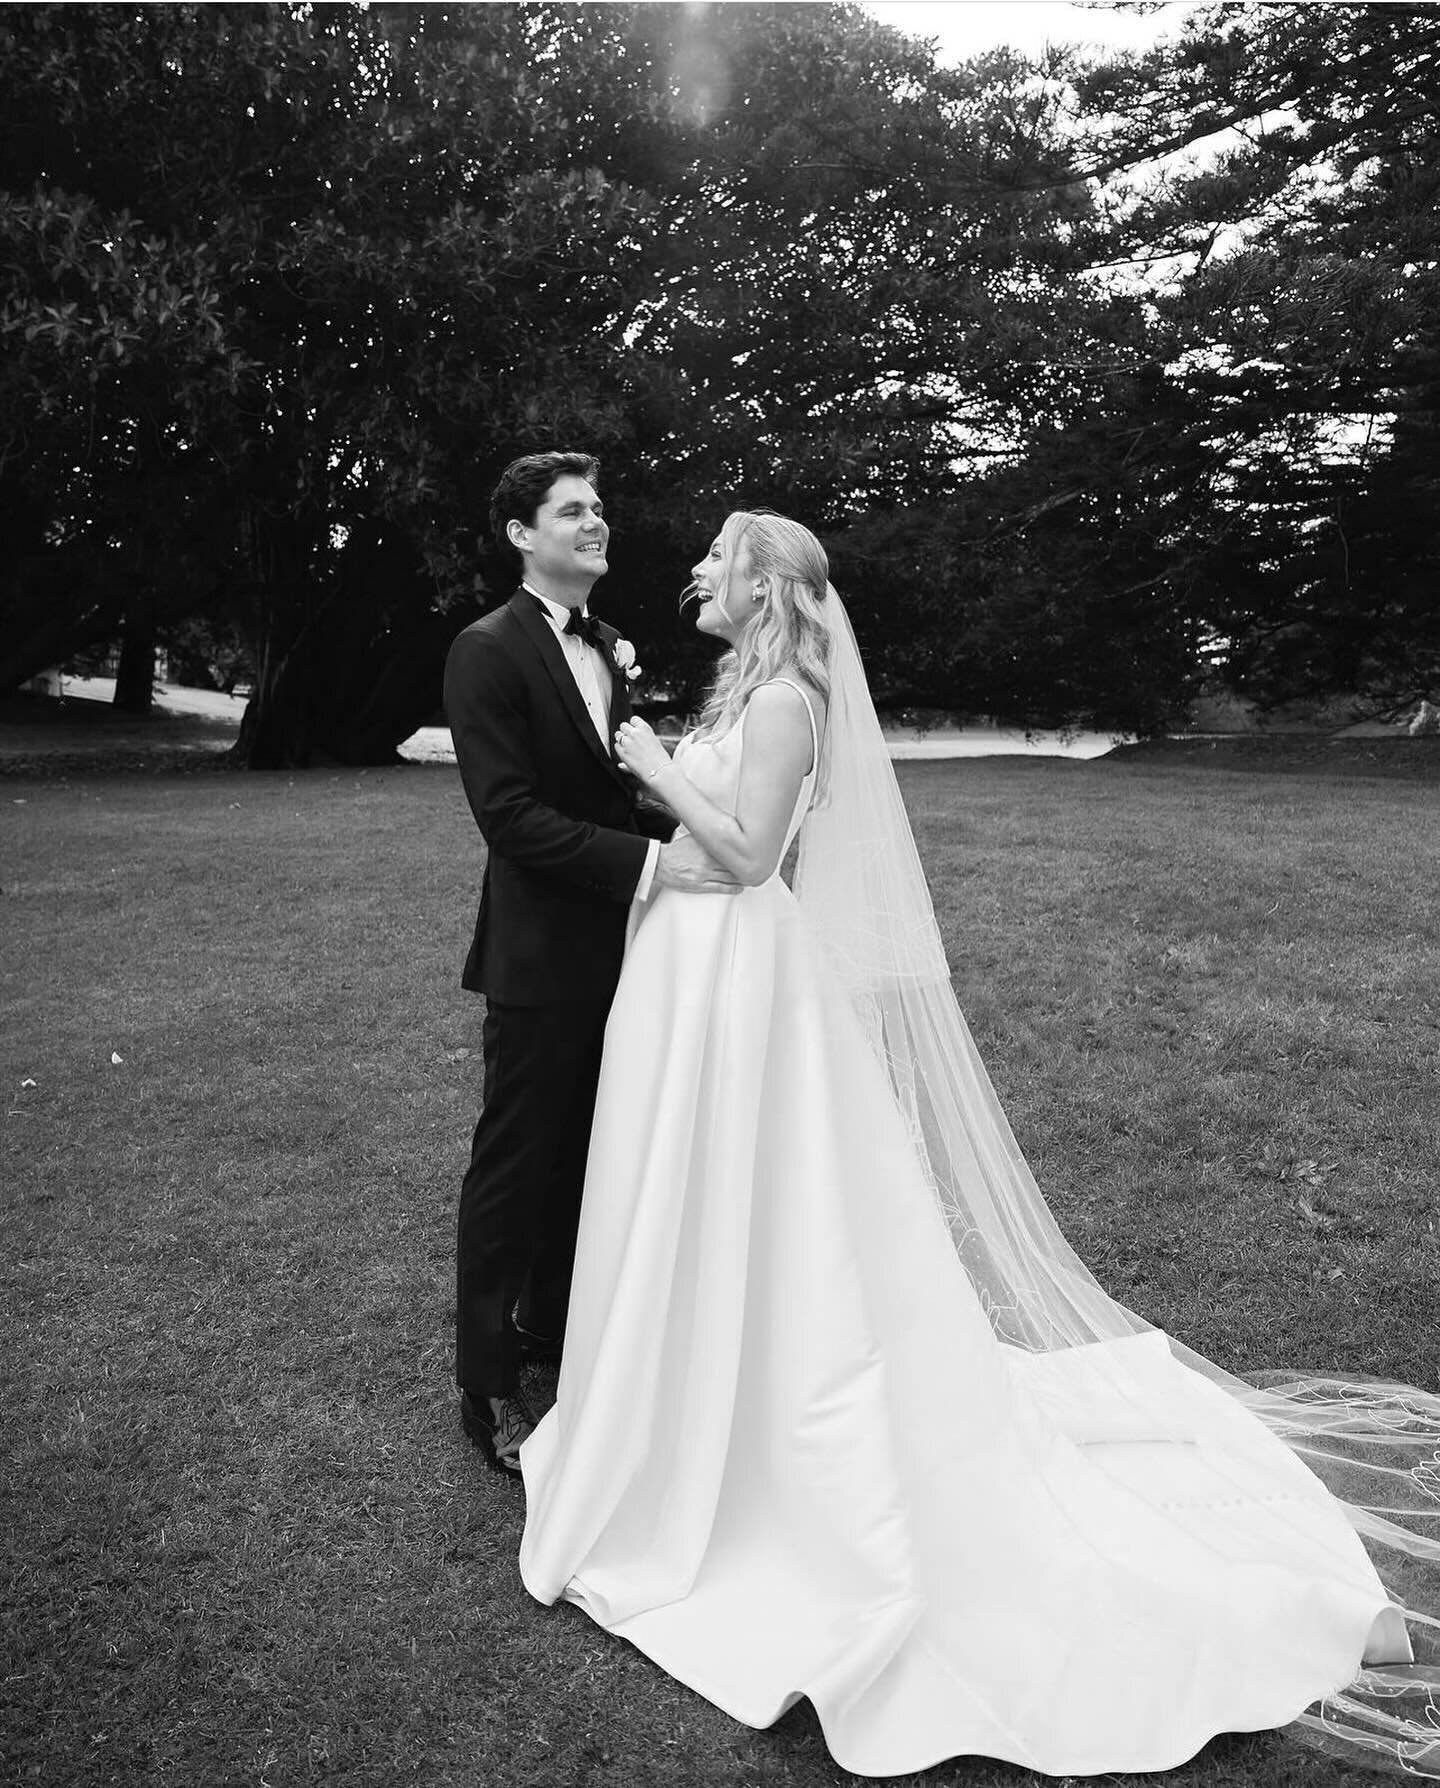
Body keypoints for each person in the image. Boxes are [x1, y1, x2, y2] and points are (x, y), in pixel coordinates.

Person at [516, 509, 1440, 1778]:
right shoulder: (748, 689)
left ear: (768, 588)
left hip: (738, 967)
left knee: (762, 1202)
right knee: (691, 1190)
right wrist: (670, 773)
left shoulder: (787, 700)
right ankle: (682, 1394)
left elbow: (746, 859)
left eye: (718, 564)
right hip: (689, 975)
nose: (694, 576)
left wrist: (661, 774)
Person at [443, 451, 737, 1476]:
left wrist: (715, 820)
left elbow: (619, 784)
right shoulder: (485, 651)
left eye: (600, 509)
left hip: (633, 955)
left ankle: (559, 1339)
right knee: (517, 1166)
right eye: (572, 511)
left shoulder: (610, 645)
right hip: (539, 960)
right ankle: (486, 1382)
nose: (595, 523)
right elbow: (511, 818)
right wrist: (655, 865)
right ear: (522, 534)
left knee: (595, 1156)